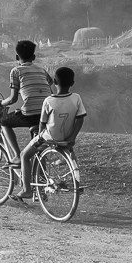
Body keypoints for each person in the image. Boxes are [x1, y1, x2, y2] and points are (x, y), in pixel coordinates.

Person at [14, 66, 87, 199]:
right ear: (72, 83)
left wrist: (39, 137)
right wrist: (72, 137)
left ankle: (27, 190)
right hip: (67, 138)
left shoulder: (49, 101)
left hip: (49, 138)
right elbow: (80, 119)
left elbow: (42, 122)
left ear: (54, 81)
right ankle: (76, 183)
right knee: (70, 155)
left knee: (24, 155)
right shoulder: (76, 98)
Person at [0, 40, 53, 165]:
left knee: (4, 122)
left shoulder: (16, 71)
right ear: (33, 57)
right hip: (47, 114)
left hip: (31, 115)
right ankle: (41, 176)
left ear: (17, 57)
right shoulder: (42, 70)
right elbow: (49, 92)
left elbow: (13, 99)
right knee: (37, 145)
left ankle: (17, 156)